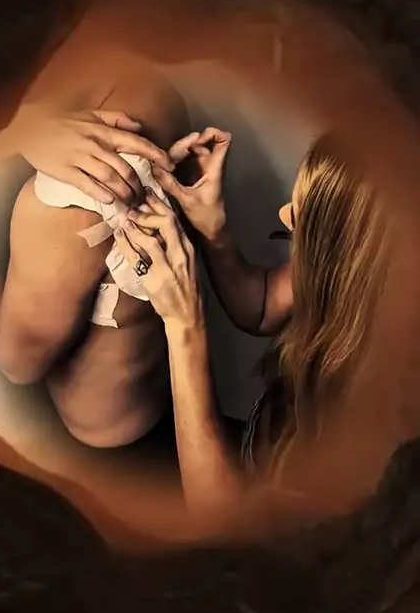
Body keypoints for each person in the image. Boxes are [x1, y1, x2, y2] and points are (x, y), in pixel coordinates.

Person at [117, 127, 396, 524]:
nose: (284, 214)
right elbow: (263, 305)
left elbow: (226, 527)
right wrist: (212, 231)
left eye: (305, 217)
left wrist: (184, 325)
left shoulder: (374, 431)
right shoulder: (368, 272)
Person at [0, 51, 191, 453]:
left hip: (103, 447)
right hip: (158, 400)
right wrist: (20, 132)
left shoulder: (74, 197)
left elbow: (18, 364)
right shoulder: (143, 83)